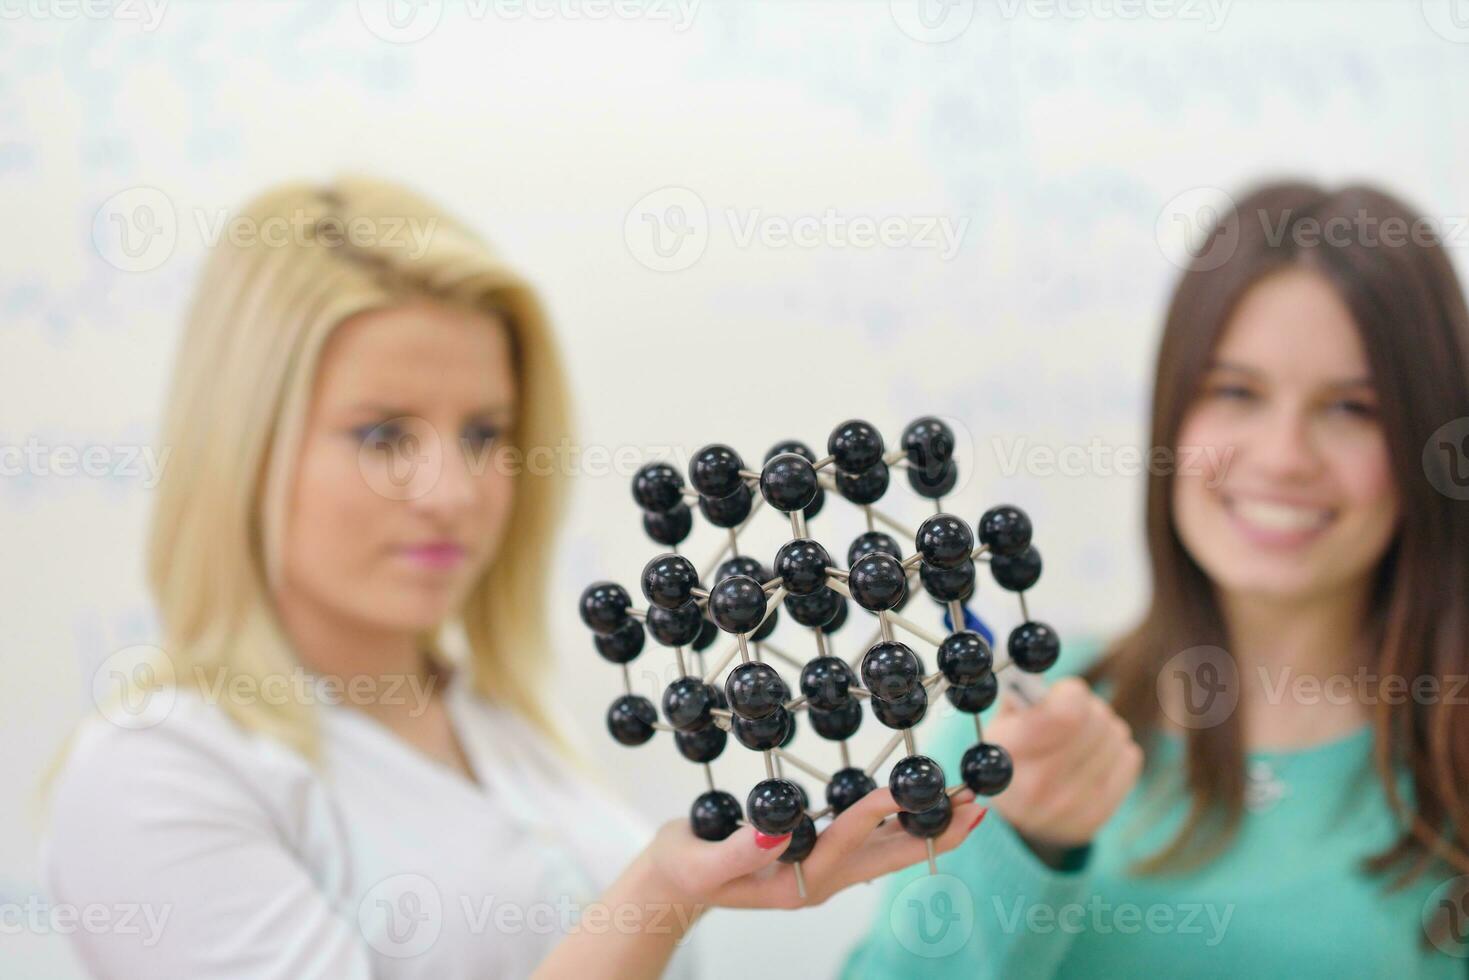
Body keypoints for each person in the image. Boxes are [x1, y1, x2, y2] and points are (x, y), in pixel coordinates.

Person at [38, 175, 990, 980]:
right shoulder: (155, 775)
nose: (452, 492)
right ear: (244, 448)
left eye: (485, 434)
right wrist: (655, 902)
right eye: (383, 436)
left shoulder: (510, 736)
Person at [843, 181, 1469, 978]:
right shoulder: (1011, 724)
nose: (1281, 456)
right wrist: (1022, 841)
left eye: (1352, 408)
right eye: (1234, 392)